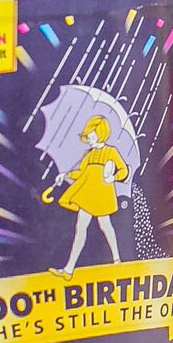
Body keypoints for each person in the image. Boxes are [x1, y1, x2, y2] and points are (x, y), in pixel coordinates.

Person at [50, 114, 127, 277]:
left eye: (92, 136)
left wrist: (113, 177)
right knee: (81, 228)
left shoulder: (111, 152)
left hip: (102, 194)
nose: (89, 139)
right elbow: (81, 173)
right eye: (88, 137)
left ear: (101, 134)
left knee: (105, 226)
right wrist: (65, 175)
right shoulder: (89, 154)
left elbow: (123, 170)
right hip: (88, 195)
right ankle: (69, 269)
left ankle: (117, 259)